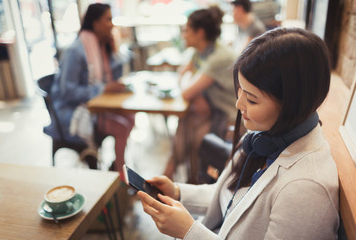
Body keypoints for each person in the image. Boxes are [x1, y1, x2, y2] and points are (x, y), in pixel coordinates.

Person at [137, 28, 340, 239]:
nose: (238, 103)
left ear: (293, 103)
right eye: (239, 90)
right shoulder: (264, 136)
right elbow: (229, 198)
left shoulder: (306, 189)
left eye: (251, 99)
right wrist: (177, 192)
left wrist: (189, 232)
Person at [47, 3, 134, 180]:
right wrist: (102, 89)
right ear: (95, 23)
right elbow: (67, 92)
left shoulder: (100, 47)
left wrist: (113, 48)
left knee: (130, 115)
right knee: (121, 126)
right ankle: (120, 175)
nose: (112, 24)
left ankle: (117, 165)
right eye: (108, 19)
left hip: (93, 107)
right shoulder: (75, 51)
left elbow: (113, 76)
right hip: (73, 113)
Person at [163, 5, 238, 181]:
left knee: (195, 137)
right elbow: (182, 74)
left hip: (230, 115)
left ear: (200, 33)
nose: (183, 35)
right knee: (186, 123)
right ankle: (176, 176)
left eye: (186, 30)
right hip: (213, 111)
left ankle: (177, 176)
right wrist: (196, 95)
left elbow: (186, 90)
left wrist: (193, 93)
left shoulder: (219, 56)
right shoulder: (201, 51)